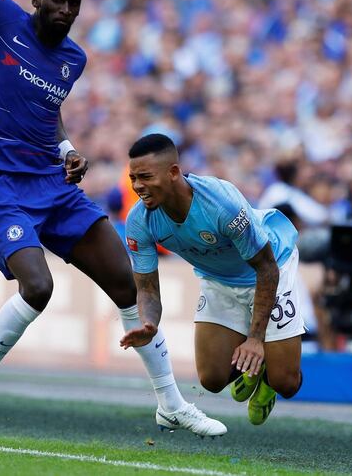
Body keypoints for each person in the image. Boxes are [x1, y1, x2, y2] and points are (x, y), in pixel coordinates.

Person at [0, 0, 224, 438]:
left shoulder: (73, 59)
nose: (65, 10)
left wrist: (65, 150)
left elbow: (46, 111)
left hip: (53, 185)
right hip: (3, 187)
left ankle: (171, 404)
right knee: (38, 287)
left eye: (74, 4)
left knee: (126, 283)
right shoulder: (0, 16)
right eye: (56, 0)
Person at [120, 134, 304, 426]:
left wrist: (256, 340)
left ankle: (267, 374)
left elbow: (266, 268)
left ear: (174, 172)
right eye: (133, 178)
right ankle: (255, 364)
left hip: (271, 267)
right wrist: (149, 323)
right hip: (218, 278)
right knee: (212, 378)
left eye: (145, 176)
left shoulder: (220, 203)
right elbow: (147, 288)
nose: (138, 186)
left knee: (287, 383)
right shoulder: (139, 220)